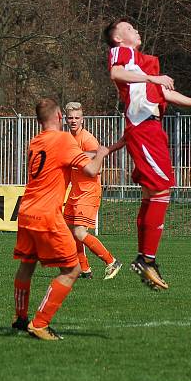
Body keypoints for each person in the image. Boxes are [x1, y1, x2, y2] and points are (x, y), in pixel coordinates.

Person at [104, 18, 191, 290]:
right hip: (143, 129)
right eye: (129, 28)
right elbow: (116, 73)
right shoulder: (124, 54)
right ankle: (146, 259)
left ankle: (145, 259)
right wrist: (151, 77)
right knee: (161, 190)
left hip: (152, 128)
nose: (136, 28)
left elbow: (165, 95)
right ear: (118, 38)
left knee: (151, 193)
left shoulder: (142, 63)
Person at [12, 98, 110, 340]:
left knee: (26, 266)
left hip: (26, 211)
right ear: (59, 117)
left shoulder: (34, 142)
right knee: (72, 269)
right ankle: (40, 323)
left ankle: (20, 318)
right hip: (47, 214)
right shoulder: (65, 139)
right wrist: (101, 154)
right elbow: (91, 170)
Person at [62, 101, 122, 280]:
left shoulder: (87, 139)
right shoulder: (66, 139)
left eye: (77, 118)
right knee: (70, 232)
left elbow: (98, 165)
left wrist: (79, 158)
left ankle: (112, 261)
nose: (73, 121)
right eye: (70, 117)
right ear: (66, 119)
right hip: (75, 191)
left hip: (88, 191)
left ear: (82, 119)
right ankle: (84, 269)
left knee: (80, 232)